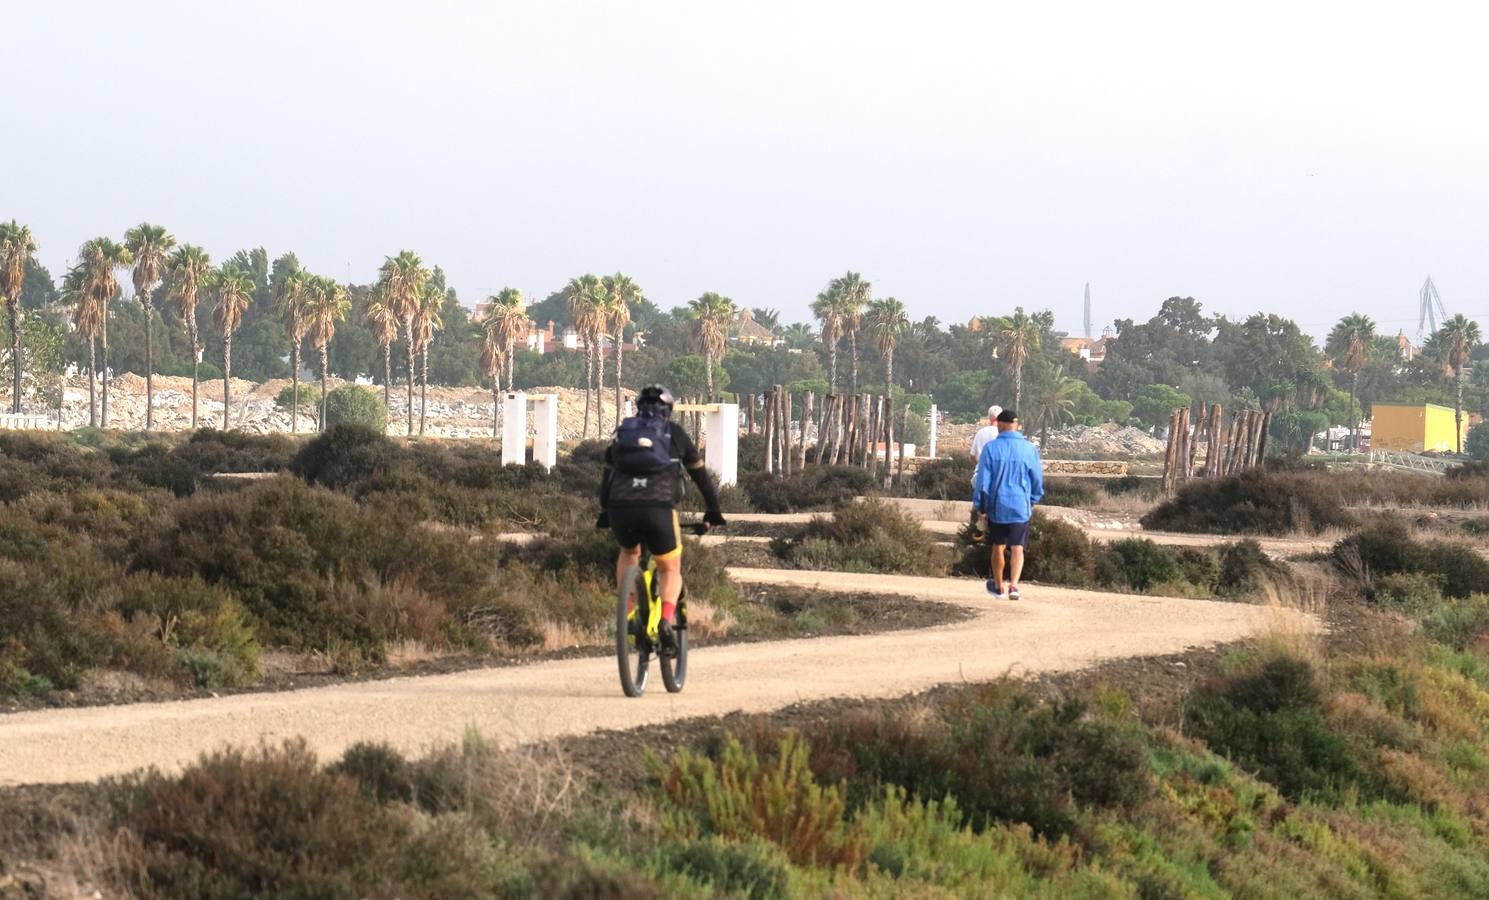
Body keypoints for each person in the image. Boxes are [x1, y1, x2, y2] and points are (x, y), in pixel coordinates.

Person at [596, 385, 726, 650]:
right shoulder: (674, 434)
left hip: (621, 507)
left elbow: (607, 479)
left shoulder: (622, 433)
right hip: (658, 509)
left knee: (628, 553)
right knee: (670, 568)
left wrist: (606, 513)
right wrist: (713, 512)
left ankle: (628, 613)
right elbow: (702, 479)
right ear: (668, 410)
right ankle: (666, 620)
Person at [971, 408, 1043, 600]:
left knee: (998, 545)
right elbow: (1036, 478)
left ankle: (998, 585)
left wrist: (981, 506)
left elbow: (983, 481)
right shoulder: (1030, 449)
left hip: (998, 505)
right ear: (1016, 426)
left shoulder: (991, 449)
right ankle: (1014, 586)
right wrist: (1034, 499)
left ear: (1000, 425)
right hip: (1020, 505)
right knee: (1018, 546)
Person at [967, 404, 1003, 534]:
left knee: (978, 506)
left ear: (989, 417)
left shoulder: (981, 433)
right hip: (998, 476)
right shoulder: (1002, 434)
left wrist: (979, 465)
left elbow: (972, 455)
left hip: (980, 476)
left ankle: (976, 532)